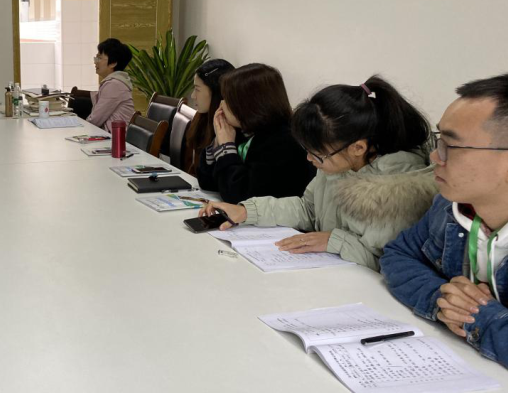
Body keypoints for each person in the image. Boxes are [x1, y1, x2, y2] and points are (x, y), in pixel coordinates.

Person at [199, 76, 437, 271]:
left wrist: (334, 240)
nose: (309, 160)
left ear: (358, 148)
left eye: (318, 154)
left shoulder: (397, 190)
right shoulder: (339, 163)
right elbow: (308, 209)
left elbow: (386, 262)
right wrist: (246, 211)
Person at [381, 74, 508, 369]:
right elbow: (398, 254)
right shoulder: (450, 207)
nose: (434, 157)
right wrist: (441, 299)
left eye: (451, 146)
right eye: (439, 141)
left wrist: (476, 317)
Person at [195, 63, 315, 202]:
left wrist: (226, 147)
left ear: (248, 105)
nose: (221, 105)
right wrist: (217, 144)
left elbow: (239, 197)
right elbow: (207, 183)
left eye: (228, 99)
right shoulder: (244, 131)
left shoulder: (283, 142)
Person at [185, 59, 235, 174]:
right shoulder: (201, 119)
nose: (193, 96)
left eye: (197, 89)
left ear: (217, 92)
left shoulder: (230, 130)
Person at [86, 38, 136, 132]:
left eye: (99, 58)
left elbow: (95, 120)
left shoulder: (114, 85)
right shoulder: (115, 82)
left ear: (113, 63)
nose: (95, 62)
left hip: (118, 138)